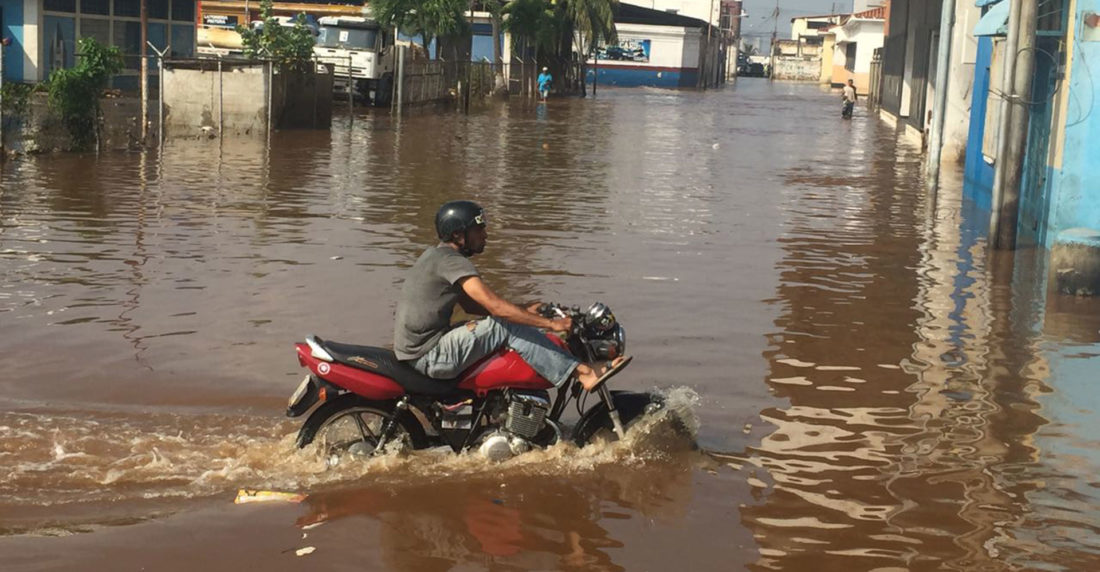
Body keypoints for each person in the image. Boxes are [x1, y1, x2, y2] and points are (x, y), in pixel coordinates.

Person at [393, 200, 630, 391]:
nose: (485, 235)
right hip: (429, 354)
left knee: (506, 322)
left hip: (423, 348)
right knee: (504, 325)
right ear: (458, 235)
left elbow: (474, 306)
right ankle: (584, 373)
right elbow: (496, 308)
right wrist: (552, 324)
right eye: (478, 229)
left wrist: (525, 309)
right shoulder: (452, 262)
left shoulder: (437, 257)